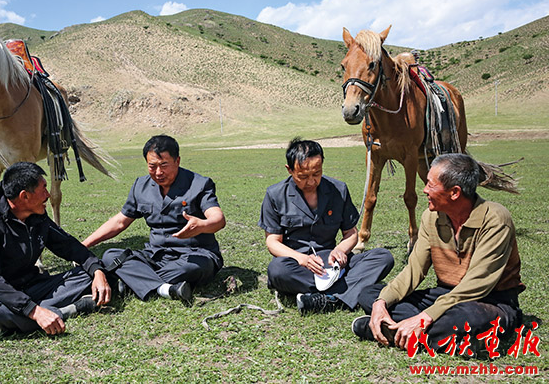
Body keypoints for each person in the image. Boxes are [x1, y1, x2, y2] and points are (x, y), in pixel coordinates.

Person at [352, 153, 524, 356]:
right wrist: (380, 304)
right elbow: (414, 270)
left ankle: (394, 331)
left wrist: (424, 318)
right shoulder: (430, 217)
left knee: (467, 318)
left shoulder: (495, 219)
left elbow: (476, 285)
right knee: (370, 294)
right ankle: (443, 337)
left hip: (489, 300)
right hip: (445, 295)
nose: (424, 190)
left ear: (454, 193)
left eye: (430, 185)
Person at [0, 162, 111, 335]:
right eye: (43, 189)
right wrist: (34, 311)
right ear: (24, 196)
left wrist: (97, 272)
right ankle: (67, 310)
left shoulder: (37, 216)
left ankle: (38, 312)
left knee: (90, 274)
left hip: (32, 287)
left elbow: (68, 246)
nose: (48, 195)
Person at [82, 135, 226, 304]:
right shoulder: (140, 186)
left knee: (194, 267)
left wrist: (203, 225)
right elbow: (120, 221)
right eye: (152, 166)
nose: (158, 172)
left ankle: (131, 284)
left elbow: (218, 219)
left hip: (193, 254)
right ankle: (164, 289)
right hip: (155, 256)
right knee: (110, 255)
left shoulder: (199, 184)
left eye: (164, 165)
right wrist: (84, 245)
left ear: (177, 161)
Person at [259, 138, 394, 314]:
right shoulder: (275, 195)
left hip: (332, 263)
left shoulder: (338, 189)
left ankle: (328, 298)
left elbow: (351, 233)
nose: (311, 182)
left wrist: (340, 250)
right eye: (303, 176)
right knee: (277, 270)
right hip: (298, 266)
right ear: (290, 170)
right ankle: (343, 292)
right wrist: (302, 259)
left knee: (383, 257)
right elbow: (273, 242)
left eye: (317, 173)